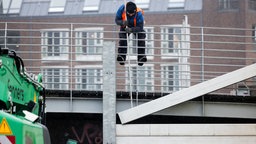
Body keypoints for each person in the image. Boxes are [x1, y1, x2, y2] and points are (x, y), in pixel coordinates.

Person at [115, 1, 147, 66]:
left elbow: (140, 28)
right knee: (123, 39)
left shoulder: (139, 14)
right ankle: (121, 57)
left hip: (136, 27)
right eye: (129, 14)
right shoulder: (121, 9)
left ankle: (141, 57)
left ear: (135, 11)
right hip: (125, 25)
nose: (130, 15)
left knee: (141, 38)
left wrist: (131, 30)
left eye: (132, 14)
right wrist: (123, 22)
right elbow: (117, 20)